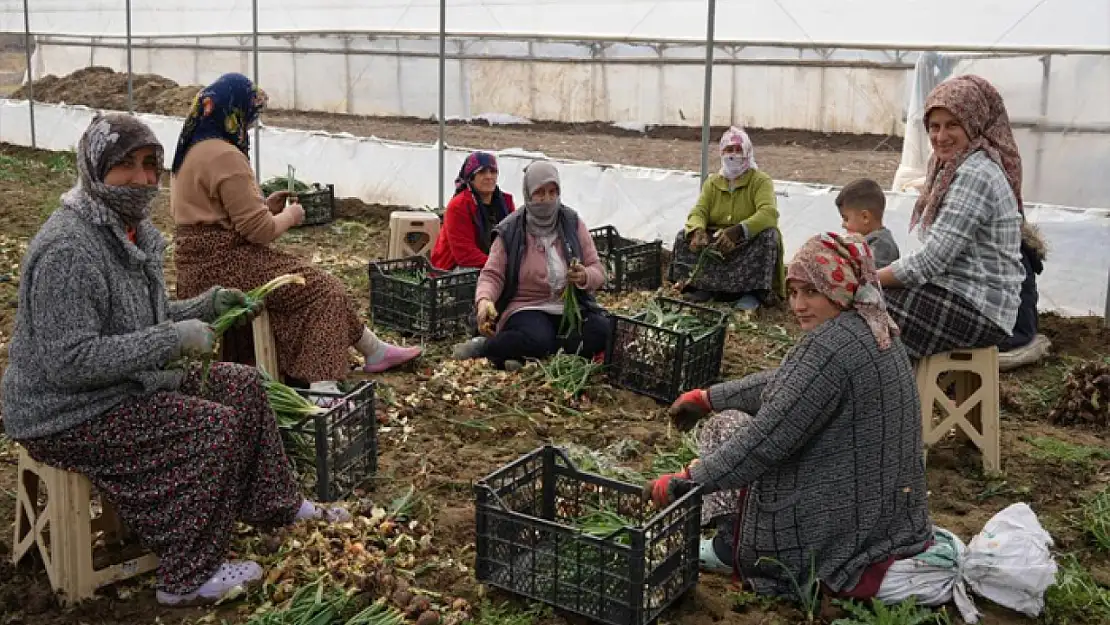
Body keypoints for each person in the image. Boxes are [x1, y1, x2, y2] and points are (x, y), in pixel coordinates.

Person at [1, 113, 344, 607]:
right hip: (64, 412)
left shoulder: (125, 229)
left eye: (151, 165)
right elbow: (69, 362)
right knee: (209, 427)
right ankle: (185, 575)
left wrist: (204, 305)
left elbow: (144, 315)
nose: (143, 179)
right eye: (126, 165)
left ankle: (276, 504)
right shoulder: (69, 250)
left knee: (243, 387)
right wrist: (171, 339)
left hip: (119, 386)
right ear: (95, 169)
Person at [648, 232, 932, 600]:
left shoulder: (832, 346)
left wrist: (687, 480)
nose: (798, 305)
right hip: (879, 514)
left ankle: (729, 546)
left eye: (811, 292)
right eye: (794, 292)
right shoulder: (874, 325)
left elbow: (765, 441)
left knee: (728, 429)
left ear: (840, 288)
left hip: (833, 527)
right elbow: (789, 383)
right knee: (728, 418)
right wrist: (708, 396)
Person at [169, 73, 420, 388]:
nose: (250, 124)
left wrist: (266, 207)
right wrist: (290, 215)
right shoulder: (224, 154)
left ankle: (374, 350)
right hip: (224, 264)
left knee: (309, 280)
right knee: (323, 289)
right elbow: (259, 231)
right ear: (233, 111)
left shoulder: (191, 149)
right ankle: (323, 388)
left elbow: (218, 213)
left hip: (196, 265)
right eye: (249, 114)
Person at [877, 75, 1027, 361]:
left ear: (974, 125)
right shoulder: (952, 166)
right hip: (960, 295)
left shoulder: (975, 174)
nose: (940, 136)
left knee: (863, 304)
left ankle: (880, 394)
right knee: (863, 311)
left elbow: (930, 261)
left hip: (979, 309)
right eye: (934, 126)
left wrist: (867, 278)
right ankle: (887, 388)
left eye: (953, 125)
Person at [453, 160, 610, 370]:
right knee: (538, 338)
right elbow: (493, 274)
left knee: (603, 330)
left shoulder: (571, 222)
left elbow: (597, 269)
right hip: (528, 306)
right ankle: (487, 346)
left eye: (553, 192)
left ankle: (523, 353)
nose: (547, 199)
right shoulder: (511, 230)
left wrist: (584, 276)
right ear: (528, 194)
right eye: (540, 193)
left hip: (569, 308)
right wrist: (484, 301)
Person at [671, 126, 785, 310]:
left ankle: (752, 293)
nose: (733, 155)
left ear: (747, 152)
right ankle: (702, 286)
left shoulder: (760, 180)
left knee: (769, 237)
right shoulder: (713, 182)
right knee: (682, 236)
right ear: (721, 153)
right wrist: (697, 230)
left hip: (745, 241)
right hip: (717, 242)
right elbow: (699, 210)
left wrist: (739, 231)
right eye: (728, 150)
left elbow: (769, 213)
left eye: (738, 150)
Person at [430, 151, 516, 271]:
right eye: (482, 172)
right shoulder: (459, 206)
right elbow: (465, 256)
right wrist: (501, 265)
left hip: (495, 264)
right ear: (471, 178)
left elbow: (515, 239)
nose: (489, 176)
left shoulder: (506, 202)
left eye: (493, 171)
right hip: (454, 270)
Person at [836, 178, 900, 269]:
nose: (843, 225)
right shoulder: (866, 241)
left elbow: (871, 277)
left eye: (846, 219)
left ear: (865, 217)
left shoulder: (882, 246)